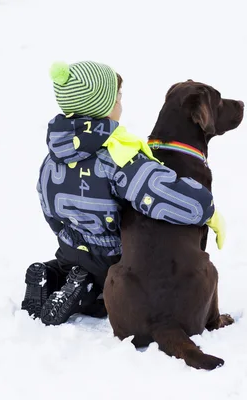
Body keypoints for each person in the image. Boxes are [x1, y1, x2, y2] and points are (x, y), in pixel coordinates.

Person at [21, 60, 225, 326]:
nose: (121, 105)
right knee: (106, 286)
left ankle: (52, 274)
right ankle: (85, 293)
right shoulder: (117, 155)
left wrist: (66, 234)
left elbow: (48, 206)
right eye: (117, 99)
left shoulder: (53, 157)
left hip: (69, 246)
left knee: (71, 265)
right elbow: (158, 193)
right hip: (110, 253)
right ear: (102, 106)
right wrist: (203, 206)